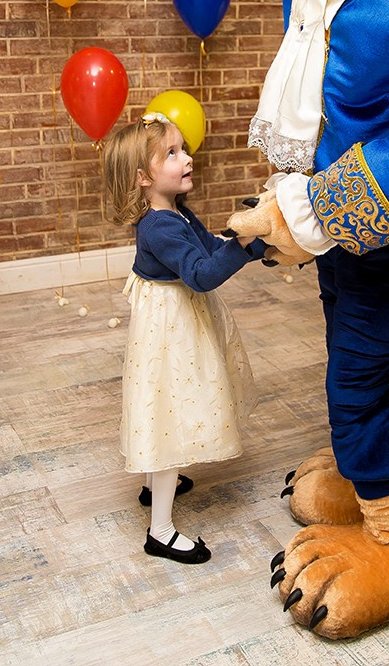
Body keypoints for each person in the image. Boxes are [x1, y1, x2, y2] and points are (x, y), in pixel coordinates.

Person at [102, 111, 268, 564]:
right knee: (170, 409)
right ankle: (160, 530)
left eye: (184, 148)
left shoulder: (174, 211)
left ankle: (157, 482)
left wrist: (250, 243)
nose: (187, 158)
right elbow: (202, 274)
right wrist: (246, 247)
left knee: (169, 401)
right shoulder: (159, 225)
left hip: (178, 318)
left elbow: (210, 248)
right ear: (142, 177)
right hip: (171, 326)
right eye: (172, 153)